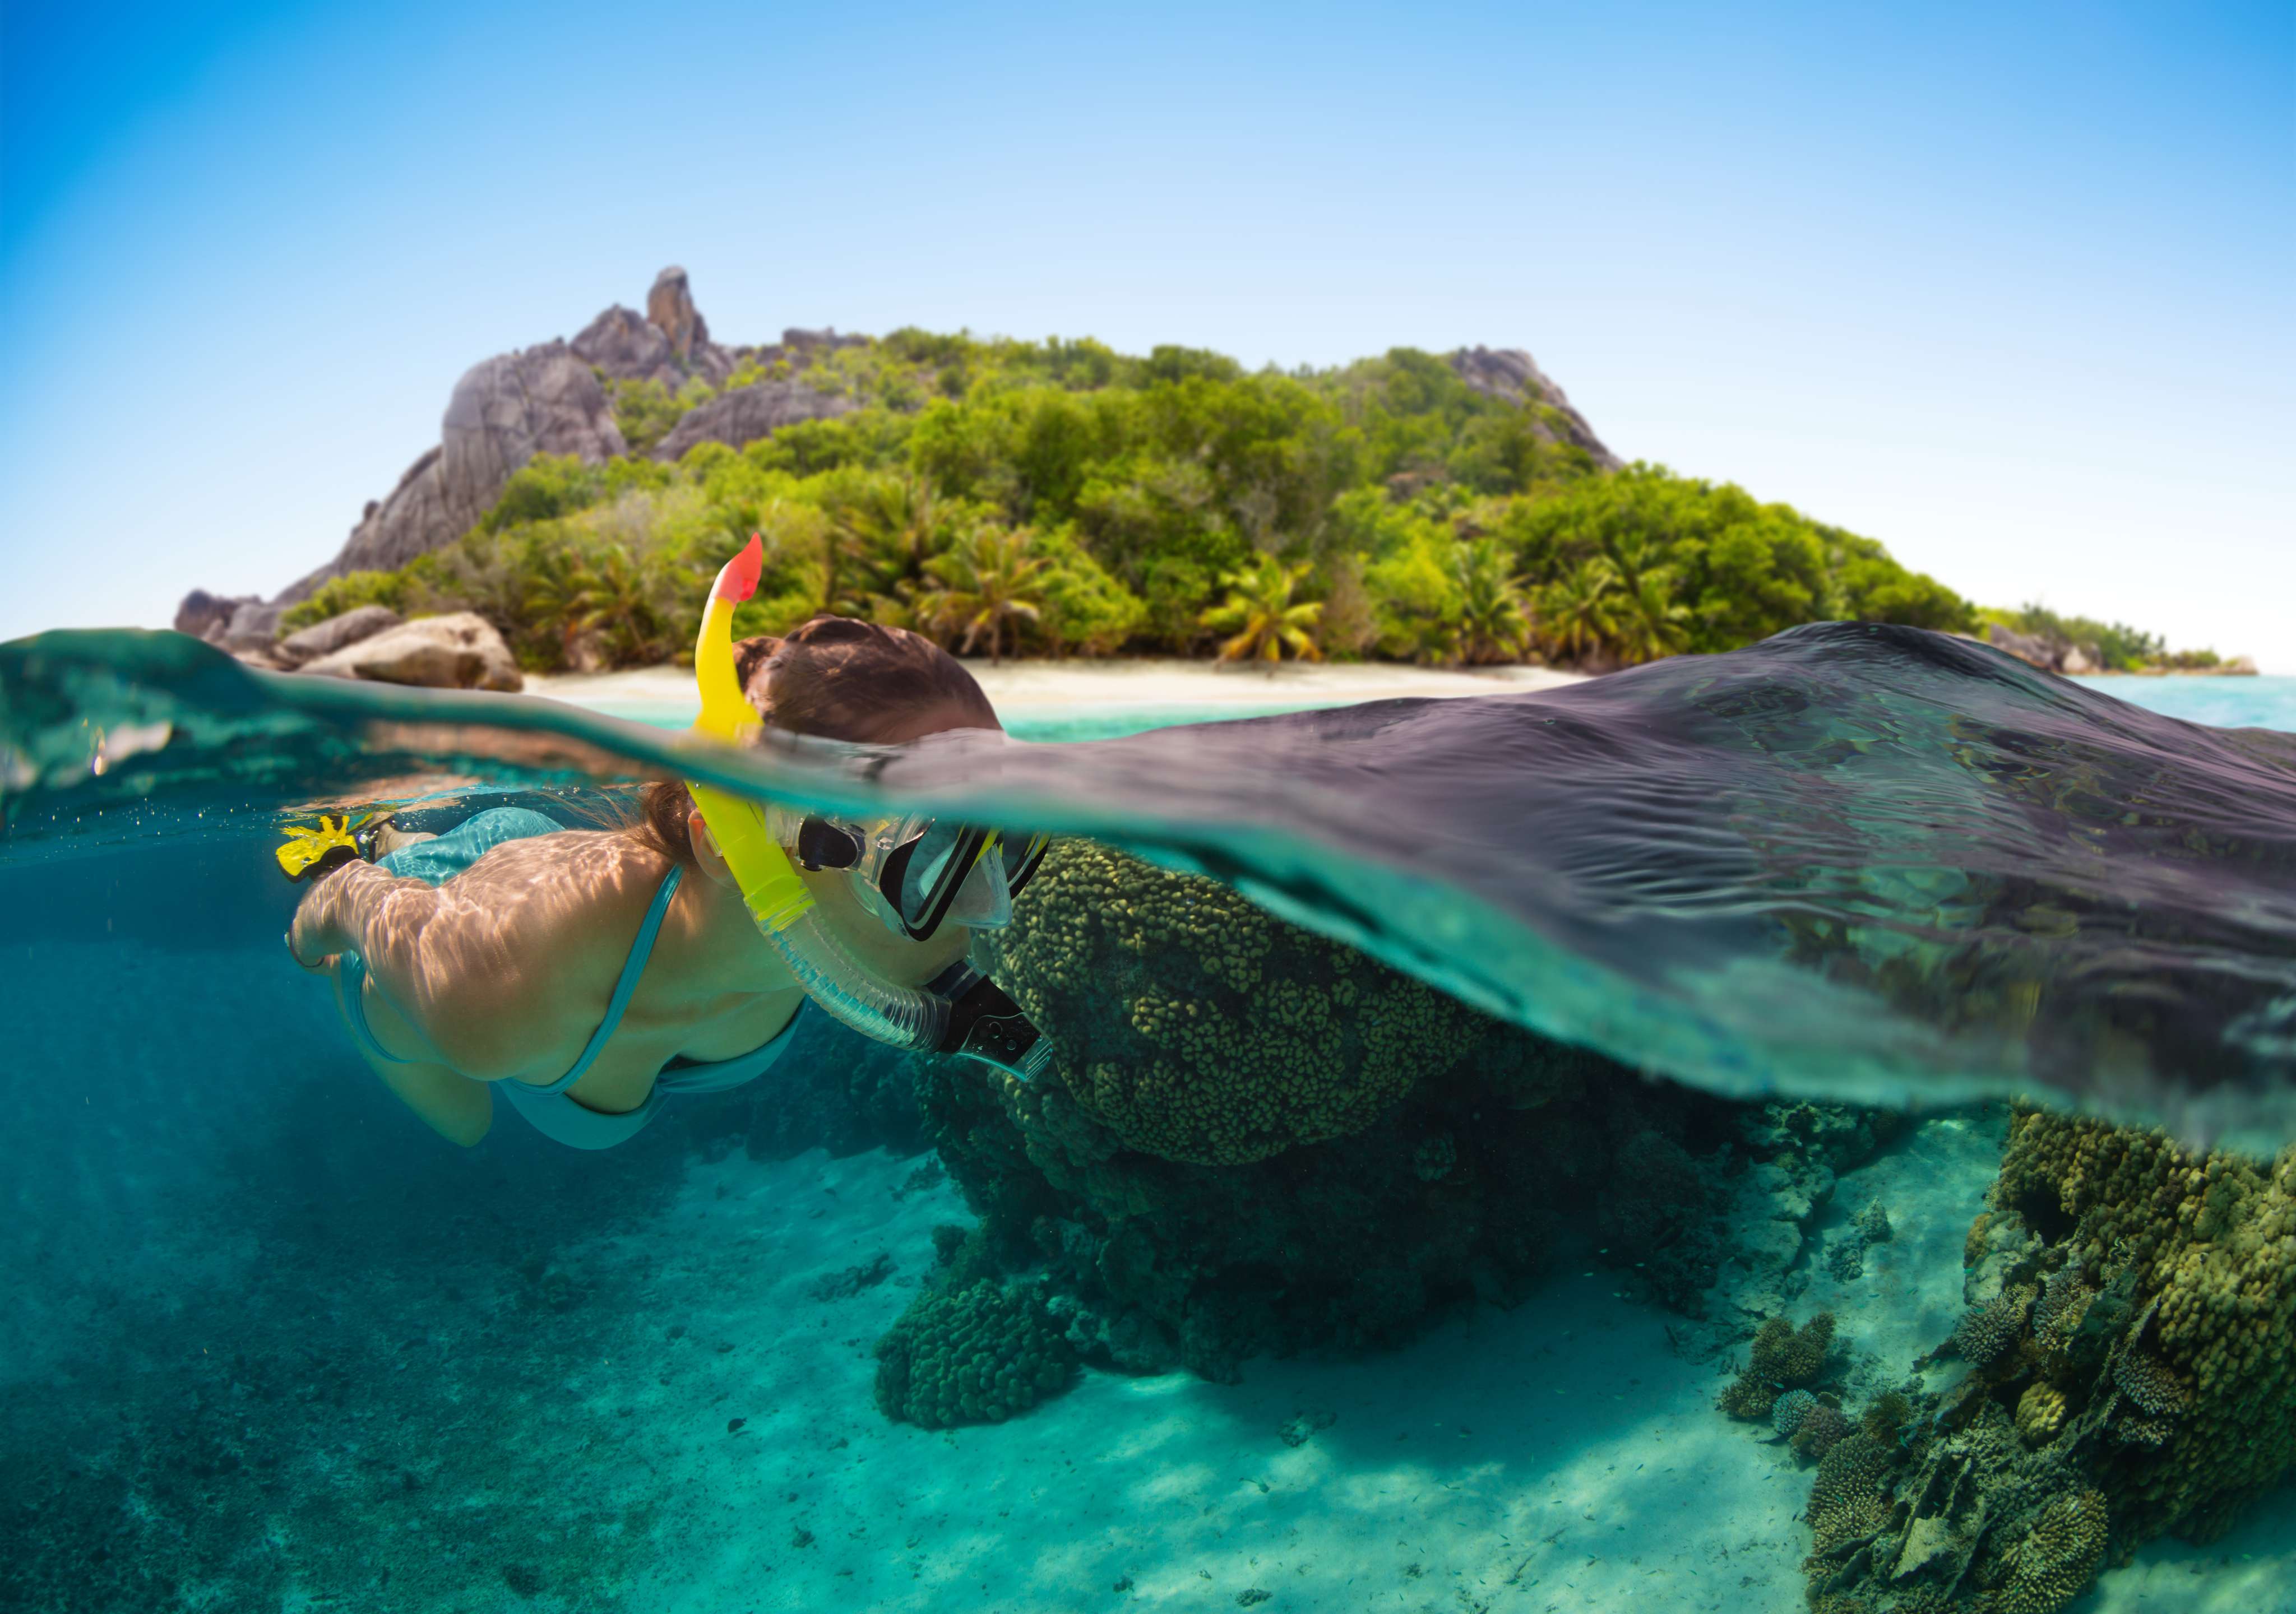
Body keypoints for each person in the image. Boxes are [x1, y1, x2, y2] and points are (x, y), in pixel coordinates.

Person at [287, 614, 1034, 1150]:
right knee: (465, 1124)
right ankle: (382, 840)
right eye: (931, 858)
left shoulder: (832, 942)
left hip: (578, 902)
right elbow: (351, 913)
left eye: (1007, 845)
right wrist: (335, 899)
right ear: (730, 848)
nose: (988, 910)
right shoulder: (492, 994)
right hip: (462, 922)